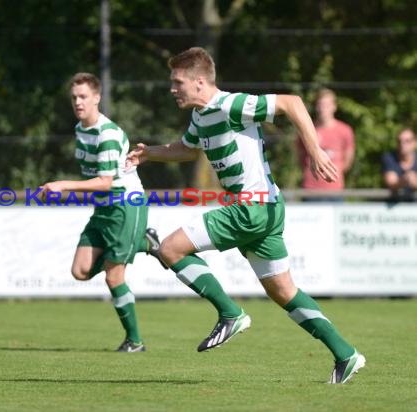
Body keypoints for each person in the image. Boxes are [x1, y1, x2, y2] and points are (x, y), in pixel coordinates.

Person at [126, 47, 365, 383]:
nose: (172, 89)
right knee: (284, 292)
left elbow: (292, 103)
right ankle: (345, 354)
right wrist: (149, 153)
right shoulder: (200, 116)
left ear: (199, 81)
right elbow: (187, 149)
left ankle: (230, 313)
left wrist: (313, 150)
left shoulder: (230, 105)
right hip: (265, 209)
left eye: (177, 82)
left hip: (251, 208)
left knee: (169, 248)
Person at [39, 72, 162, 353]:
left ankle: (135, 342)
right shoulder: (81, 129)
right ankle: (144, 242)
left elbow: (106, 182)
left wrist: (63, 185)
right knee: (80, 270)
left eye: (83, 97)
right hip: (104, 207)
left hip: (124, 204)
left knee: (113, 276)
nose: (78, 102)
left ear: (97, 97)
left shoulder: (107, 134)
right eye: (74, 98)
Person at [297, 88, 356, 201]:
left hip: (335, 189)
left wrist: (333, 172)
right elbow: (300, 156)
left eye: (327, 105)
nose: (323, 108)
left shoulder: (345, 130)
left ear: (334, 106)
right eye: (320, 104)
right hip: (310, 189)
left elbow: (348, 159)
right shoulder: (307, 129)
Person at [382, 127, 417, 201]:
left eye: (407, 141)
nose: (402, 144)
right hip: (394, 210)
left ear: (415, 143)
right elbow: (391, 182)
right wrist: (404, 180)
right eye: (399, 141)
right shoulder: (389, 158)